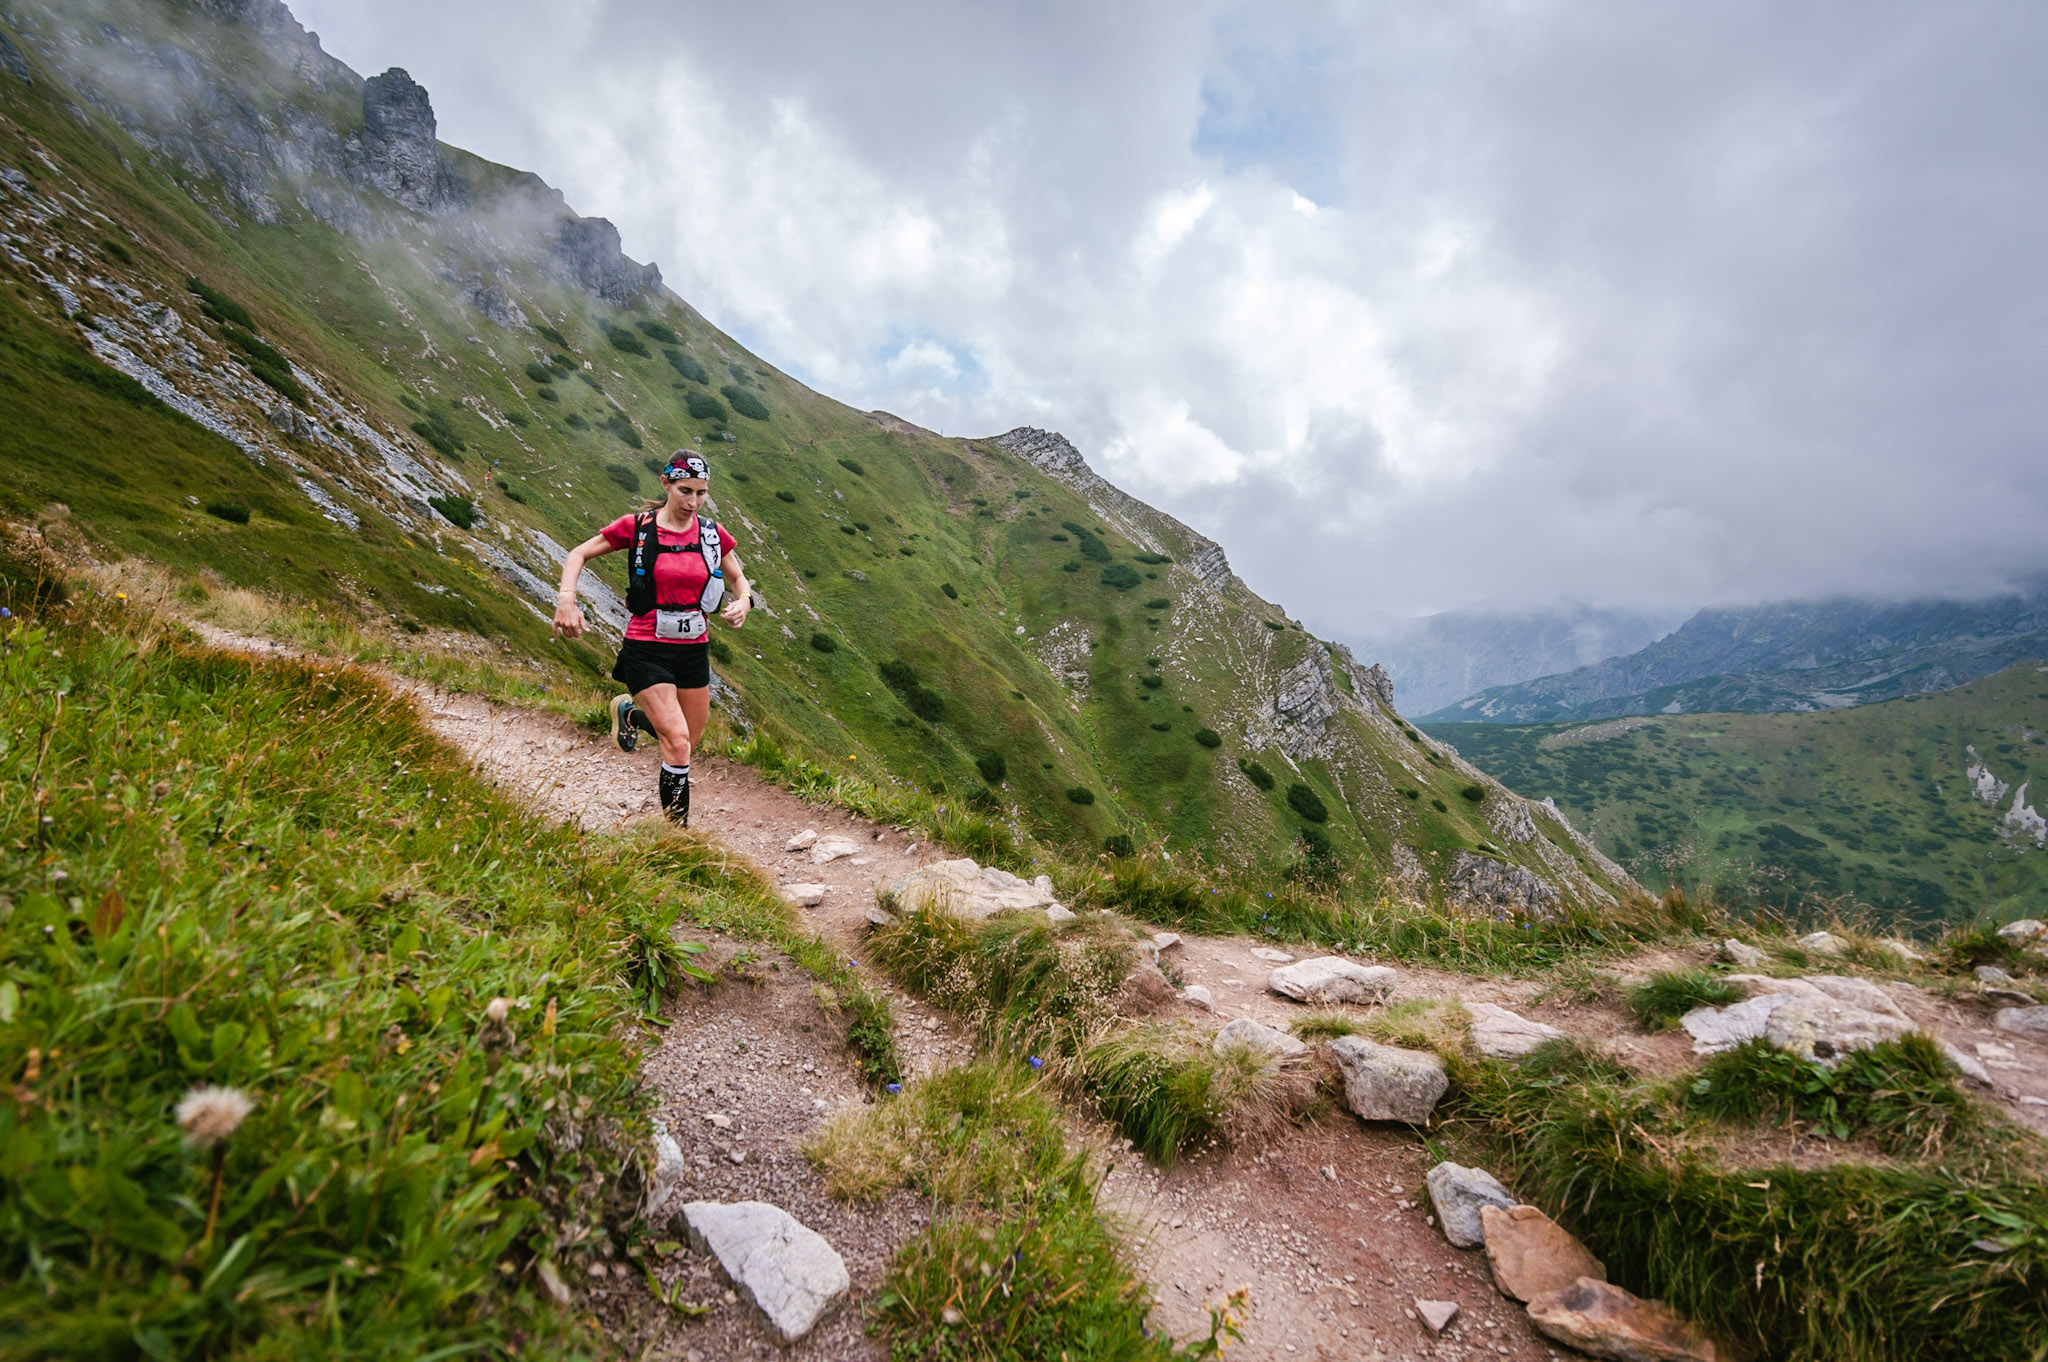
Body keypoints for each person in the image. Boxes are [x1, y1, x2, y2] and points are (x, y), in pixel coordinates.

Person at [552, 450, 750, 825]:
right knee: (676, 745)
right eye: (685, 490)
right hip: (646, 648)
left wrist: (744, 601)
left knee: (687, 742)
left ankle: (629, 714)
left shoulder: (711, 534)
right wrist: (567, 600)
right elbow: (579, 554)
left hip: (693, 651)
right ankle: (677, 839)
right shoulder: (638, 527)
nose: (693, 502)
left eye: (702, 493)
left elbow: (739, 578)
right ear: (666, 484)